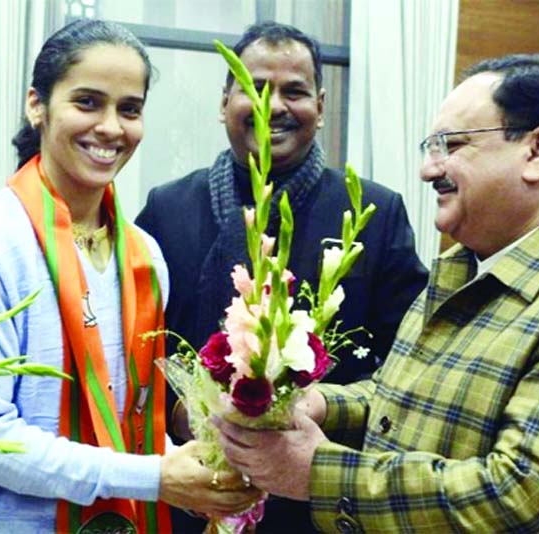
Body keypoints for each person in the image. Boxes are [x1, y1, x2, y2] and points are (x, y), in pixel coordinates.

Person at [213, 55, 539, 533]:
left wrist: (317, 473)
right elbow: (403, 399)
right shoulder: (463, 268)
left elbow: (527, 499)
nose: (428, 169)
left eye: (451, 145)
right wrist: (318, 405)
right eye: (430, 147)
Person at [0, 19, 260, 533]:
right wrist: (156, 477)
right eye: (88, 102)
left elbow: (128, 421)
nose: (111, 128)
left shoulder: (143, 255)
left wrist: (198, 472)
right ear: (37, 105)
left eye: (129, 109)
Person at [135, 21, 428, 532]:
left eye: (294, 91)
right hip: (190, 492)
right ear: (224, 102)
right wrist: (184, 415)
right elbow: (134, 348)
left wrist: (315, 412)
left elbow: (409, 359)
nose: (272, 107)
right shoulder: (168, 208)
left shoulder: (374, 213)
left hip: (320, 503)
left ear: (320, 104)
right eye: (254, 89)